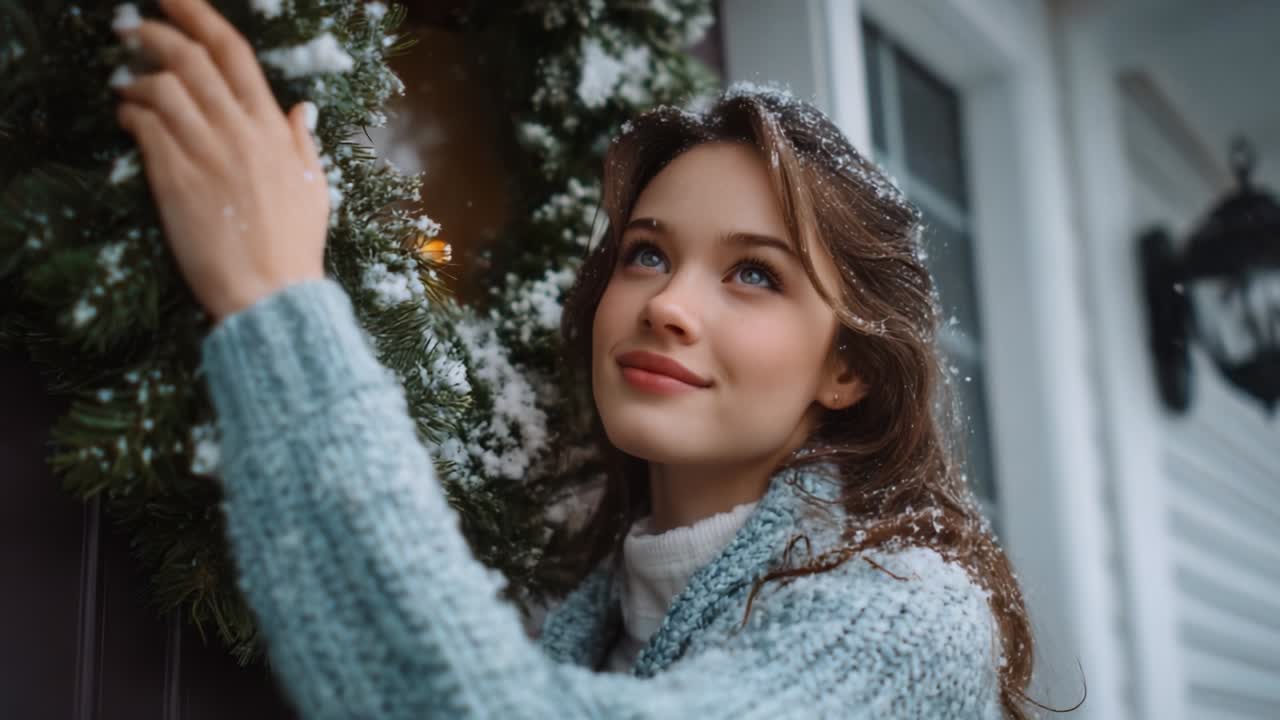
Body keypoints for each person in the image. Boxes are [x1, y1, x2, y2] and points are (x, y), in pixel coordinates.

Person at [111, 0, 1049, 717]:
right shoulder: (591, 613)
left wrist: (276, 300)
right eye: (647, 253)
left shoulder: (909, 618)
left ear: (847, 368)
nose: (668, 306)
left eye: (755, 275)